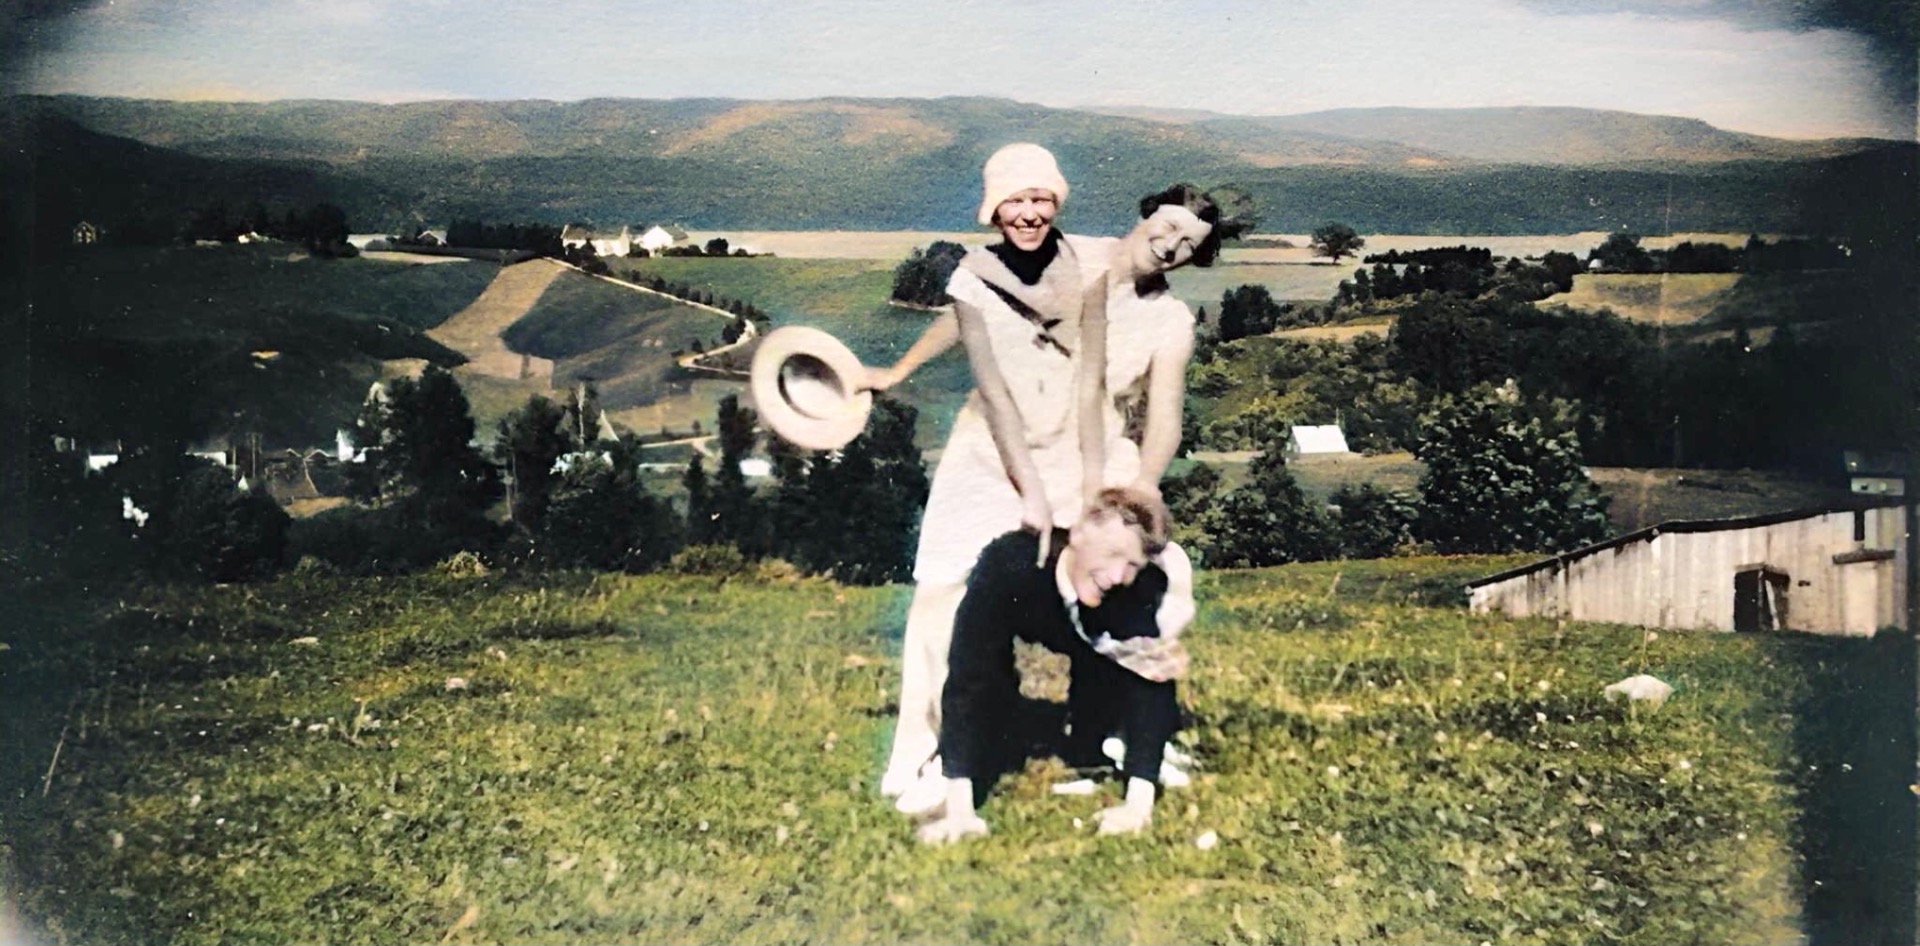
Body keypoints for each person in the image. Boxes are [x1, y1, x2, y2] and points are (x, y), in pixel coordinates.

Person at [872, 159, 1239, 806]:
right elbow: (971, 306)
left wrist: (1142, 487)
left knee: (1149, 580)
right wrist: (898, 370)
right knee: (942, 594)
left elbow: (1164, 418)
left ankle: (1125, 732)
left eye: (1189, 244)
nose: (1171, 246)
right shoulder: (1068, 252)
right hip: (994, 446)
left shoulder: (1171, 321)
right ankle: (922, 753)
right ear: (1146, 213)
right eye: (1167, 227)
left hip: (1090, 454)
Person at [917, 486, 1194, 844]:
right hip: (1032, 611)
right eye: (1112, 554)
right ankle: (951, 763)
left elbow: (1149, 686)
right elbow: (971, 676)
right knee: (978, 678)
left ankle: (1114, 741)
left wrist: (1137, 806)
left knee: (1108, 701)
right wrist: (960, 809)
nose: (1116, 576)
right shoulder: (1010, 565)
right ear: (1078, 534)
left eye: (1132, 565)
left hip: (1095, 641)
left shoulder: (1135, 588)